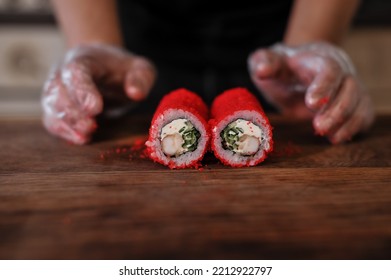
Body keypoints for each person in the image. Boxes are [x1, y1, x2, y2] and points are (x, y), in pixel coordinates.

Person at [42, 0, 374, 145]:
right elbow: (97, 54)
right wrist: (94, 45)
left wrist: (313, 45)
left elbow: (309, 63)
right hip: (139, 38)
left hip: (277, 34)